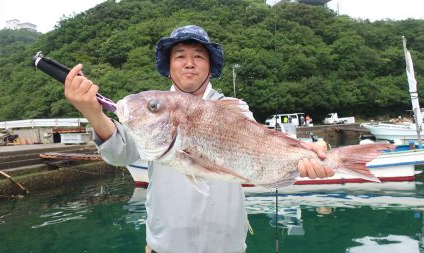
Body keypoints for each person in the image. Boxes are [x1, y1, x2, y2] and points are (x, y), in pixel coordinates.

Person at [64, 25, 334, 253]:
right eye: (180, 56)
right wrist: (92, 112)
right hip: (164, 245)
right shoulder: (153, 110)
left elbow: (263, 142)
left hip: (227, 245)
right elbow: (119, 154)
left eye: (198, 56)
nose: (189, 62)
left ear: (210, 66)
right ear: (168, 67)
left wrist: (306, 152)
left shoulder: (234, 108)